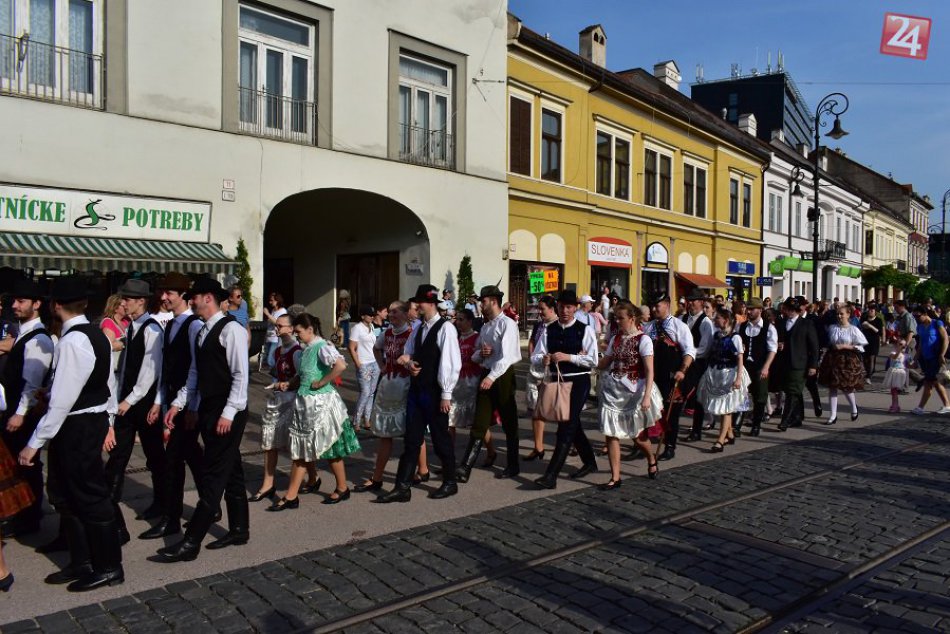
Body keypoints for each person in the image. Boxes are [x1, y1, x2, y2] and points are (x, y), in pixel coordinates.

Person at [20, 275, 123, 591]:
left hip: (78, 426)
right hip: (82, 422)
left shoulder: (74, 341)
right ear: (85, 304)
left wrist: (34, 443)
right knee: (67, 494)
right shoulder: (94, 335)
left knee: (89, 496)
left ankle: (108, 566)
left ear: (55, 306)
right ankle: (83, 561)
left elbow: (64, 401)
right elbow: (102, 384)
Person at [153, 278, 249, 562]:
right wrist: (178, 404)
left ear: (208, 298)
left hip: (226, 409)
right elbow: (195, 373)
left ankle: (191, 542)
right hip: (209, 407)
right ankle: (240, 528)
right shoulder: (202, 331)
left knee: (213, 474)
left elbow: (241, 376)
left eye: (193, 297)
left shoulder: (230, 329)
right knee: (231, 470)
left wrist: (229, 413)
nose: (190, 301)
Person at [376, 285, 461, 503]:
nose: (415, 307)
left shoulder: (446, 328)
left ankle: (450, 482)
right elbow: (406, 355)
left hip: (434, 391)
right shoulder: (420, 328)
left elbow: (450, 363)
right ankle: (402, 487)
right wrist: (409, 363)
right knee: (412, 439)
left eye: (418, 304)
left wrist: (446, 394)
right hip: (417, 390)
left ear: (429, 303)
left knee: (440, 437)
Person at [139, 273, 205, 541]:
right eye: (163, 292)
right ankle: (207, 505)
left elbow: (196, 369)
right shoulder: (170, 325)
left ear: (183, 296)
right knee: (192, 457)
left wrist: (191, 407)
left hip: (185, 404)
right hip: (171, 401)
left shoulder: (192, 325)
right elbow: (165, 369)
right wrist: (158, 401)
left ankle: (172, 519)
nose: (164, 297)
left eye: (170, 293)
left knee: (175, 460)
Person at [269, 313, 357, 509]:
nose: (297, 335)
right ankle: (304, 492)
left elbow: (341, 365)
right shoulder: (306, 349)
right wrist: (288, 384)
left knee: (325, 448)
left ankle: (335, 488)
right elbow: (301, 375)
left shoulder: (322, 347)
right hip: (305, 403)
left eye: (299, 332)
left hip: (321, 404)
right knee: (308, 449)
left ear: (310, 330)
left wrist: (322, 381)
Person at [105, 278, 166, 543]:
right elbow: (128, 365)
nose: (123, 303)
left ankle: (163, 504)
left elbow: (150, 372)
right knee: (118, 456)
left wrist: (129, 400)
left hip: (141, 403)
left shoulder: (152, 329)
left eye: (128, 299)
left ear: (141, 301)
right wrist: (119, 396)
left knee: (155, 457)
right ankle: (111, 513)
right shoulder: (132, 327)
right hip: (127, 403)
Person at [531, 290, 599, 489]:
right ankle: (589, 461)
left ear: (576, 308)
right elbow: (536, 355)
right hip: (557, 381)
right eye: (561, 306)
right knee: (573, 424)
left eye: (569, 307)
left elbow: (592, 360)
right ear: (557, 307)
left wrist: (569, 357)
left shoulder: (583, 330)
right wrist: (543, 359)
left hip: (578, 382)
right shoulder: (549, 329)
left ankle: (551, 475)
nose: (565, 310)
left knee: (566, 426)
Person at [0, 279, 53, 538]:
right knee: (17, 463)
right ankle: (23, 512)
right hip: (13, 409)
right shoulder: (24, 332)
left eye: (21, 301)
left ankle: (30, 516)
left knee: (27, 464)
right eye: (14, 301)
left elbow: (32, 383)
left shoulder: (38, 338)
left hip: (24, 414)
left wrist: (20, 413)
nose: (14, 306)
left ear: (37, 304)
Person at [249, 313, 319, 504]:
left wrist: (285, 384)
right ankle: (268, 483)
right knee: (269, 440)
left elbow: (301, 380)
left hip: (292, 401)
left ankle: (313, 476)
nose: (277, 329)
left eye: (281, 326)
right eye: (276, 326)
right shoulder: (278, 351)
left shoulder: (297, 352)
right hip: (278, 400)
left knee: (297, 444)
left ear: (291, 328)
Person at [457, 285, 522, 482]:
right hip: (487, 373)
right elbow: (476, 355)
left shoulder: (507, 324)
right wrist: (481, 354)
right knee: (480, 421)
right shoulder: (485, 327)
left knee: (509, 422)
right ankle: (465, 467)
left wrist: (491, 376)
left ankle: (513, 465)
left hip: (501, 375)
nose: (480, 305)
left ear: (493, 301)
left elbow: (508, 356)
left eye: (483, 301)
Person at [596, 300, 662, 489]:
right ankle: (615, 477)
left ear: (632, 318)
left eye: (621, 318)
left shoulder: (644, 340)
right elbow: (605, 363)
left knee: (637, 435)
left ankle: (650, 457)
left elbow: (649, 370)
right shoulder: (616, 339)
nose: (618, 322)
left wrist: (647, 395)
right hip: (613, 390)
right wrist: (588, 357)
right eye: (616, 318)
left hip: (634, 391)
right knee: (611, 433)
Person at [355, 301, 415, 493]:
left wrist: (410, 364)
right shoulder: (387, 333)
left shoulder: (412, 334)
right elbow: (376, 348)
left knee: (413, 433)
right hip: (388, 386)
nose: (390, 315)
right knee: (384, 434)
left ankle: (421, 470)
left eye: (395, 312)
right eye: (389, 312)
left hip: (406, 386)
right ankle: (377, 477)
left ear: (406, 314)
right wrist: (381, 365)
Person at [642, 293, 696, 461]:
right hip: (653, 377)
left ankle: (670, 446)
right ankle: (643, 445)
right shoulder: (648, 327)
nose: (653, 309)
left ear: (667, 305)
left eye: (657, 306)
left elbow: (689, 351)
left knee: (670, 414)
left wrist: (683, 370)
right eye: (652, 306)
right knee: (648, 412)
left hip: (673, 378)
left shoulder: (679, 326)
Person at [698, 308, 751, 452]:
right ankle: (730, 434)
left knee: (726, 408)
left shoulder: (735, 338)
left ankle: (720, 440)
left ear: (726, 320)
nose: (715, 320)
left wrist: (738, 378)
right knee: (720, 406)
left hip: (730, 374)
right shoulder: (717, 335)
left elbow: (740, 358)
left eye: (718, 318)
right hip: (716, 374)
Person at [818, 305, 868, 426]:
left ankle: (854, 408)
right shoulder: (833, 328)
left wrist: (846, 346)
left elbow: (862, 345)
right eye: (838, 314)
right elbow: (828, 341)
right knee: (833, 386)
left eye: (842, 314)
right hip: (833, 358)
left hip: (848, 359)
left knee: (847, 386)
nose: (839, 316)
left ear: (848, 314)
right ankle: (833, 415)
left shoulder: (853, 329)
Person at [775, 298, 819, 432]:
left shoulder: (806, 324)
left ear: (797, 311)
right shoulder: (781, 323)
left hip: (800, 363)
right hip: (784, 362)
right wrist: (779, 344)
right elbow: (776, 339)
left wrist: (813, 365)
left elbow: (814, 346)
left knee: (792, 392)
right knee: (792, 390)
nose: (789, 312)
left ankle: (785, 420)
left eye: (792, 310)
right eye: (788, 309)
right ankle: (797, 417)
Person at [737, 298, 777, 437]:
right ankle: (737, 425)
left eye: (752, 309)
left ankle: (756, 425)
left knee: (760, 397)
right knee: (741, 395)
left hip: (760, 365)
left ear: (760, 310)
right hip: (745, 366)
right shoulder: (742, 326)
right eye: (748, 308)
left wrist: (766, 367)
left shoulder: (769, 327)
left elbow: (773, 350)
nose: (749, 311)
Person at [525, 296, 557, 461]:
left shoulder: (558, 326)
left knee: (557, 410)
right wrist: (533, 355)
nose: (540, 312)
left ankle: (571, 444)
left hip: (553, 372)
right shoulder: (539, 324)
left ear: (551, 309)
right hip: (537, 369)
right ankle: (538, 446)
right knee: (536, 409)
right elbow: (532, 342)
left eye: (542, 308)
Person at [681, 288, 714, 444]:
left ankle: (696, 430)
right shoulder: (682, 318)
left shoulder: (706, 323)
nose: (691, 303)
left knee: (698, 398)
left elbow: (704, 348)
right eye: (689, 300)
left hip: (698, 364)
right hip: (682, 362)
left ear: (701, 302)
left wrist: (688, 353)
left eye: (694, 300)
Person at [910, 306, 950, 416]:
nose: (917, 318)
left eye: (918, 316)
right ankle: (946, 405)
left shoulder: (937, 323)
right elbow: (921, 344)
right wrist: (915, 359)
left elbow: (945, 338)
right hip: (925, 358)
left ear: (925, 314)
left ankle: (921, 407)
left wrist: (942, 354)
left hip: (935, 357)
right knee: (933, 382)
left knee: (930, 382)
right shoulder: (920, 327)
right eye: (914, 316)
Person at [349, 305, 380, 433]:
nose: (372, 316)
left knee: (371, 392)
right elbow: (351, 347)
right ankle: (356, 421)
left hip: (374, 363)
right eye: (369, 315)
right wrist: (358, 364)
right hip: (364, 364)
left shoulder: (371, 327)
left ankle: (367, 420)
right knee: (365, 392)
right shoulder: (357, 328)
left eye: (373, 315)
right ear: (362, 316)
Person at [99, 294, 128, 372]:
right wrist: (125, 342)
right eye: (123, 306)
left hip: (124, 367)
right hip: (114, 369)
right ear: (115, 308)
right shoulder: (108, 322)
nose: (126, 307)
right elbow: (110, 345)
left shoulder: (126, 322)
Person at [262, 292, 287, 370]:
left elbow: (278, 323)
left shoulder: (282, 311)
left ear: (277, 301)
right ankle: (275, 377)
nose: (270, 302)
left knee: (271, 360)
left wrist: (267, 314)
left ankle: (278, 374)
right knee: (268, 360)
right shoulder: (273, 310)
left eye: (272, 300)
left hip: (276, 339)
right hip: (269, 337)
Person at [860, 305, 885, 381]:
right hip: (864, 340)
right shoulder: (864, 319)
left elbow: (879, 331)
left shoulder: (878, 320)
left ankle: (868, 376)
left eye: (872, 310)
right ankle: (868, 371)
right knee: (864, 358)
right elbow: (861, 327)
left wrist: (870, 326)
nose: (870, 311)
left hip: (874, 341)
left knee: (871, 357)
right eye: (869, 310)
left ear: (875, 312)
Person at [883, 340, 908, 413]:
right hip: (893, 372)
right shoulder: (892, 353)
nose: (902, 346)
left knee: (895, 391)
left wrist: (913, 363)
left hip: (900, 373)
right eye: (900, 344)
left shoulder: (905, 356)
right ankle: (895, 405)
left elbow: (910, 364)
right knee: (894, 391)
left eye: (904, 345)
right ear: (896, 345)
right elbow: (894, 357)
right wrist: (899, 350)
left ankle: (895, 405)